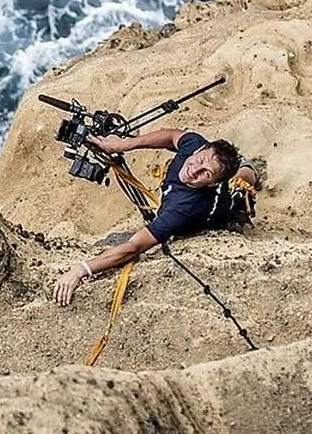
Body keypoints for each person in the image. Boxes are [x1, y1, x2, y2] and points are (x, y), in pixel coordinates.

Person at [52, 128, 262, 306]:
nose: (194, 170)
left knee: (240, 184)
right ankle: (242, 167)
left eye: (205, 173)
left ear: (212, 183)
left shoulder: (183, 210)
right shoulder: (194, 145)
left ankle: (250, 172)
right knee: (226, 172)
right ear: (199, 150)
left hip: (220, 210)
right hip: (198, 186)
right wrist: (124, 145)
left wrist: (80, 270)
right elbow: (172, 136)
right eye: (199, 160)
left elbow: (133, 247)